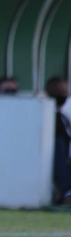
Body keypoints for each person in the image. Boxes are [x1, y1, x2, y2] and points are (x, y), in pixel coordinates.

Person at [45, 76, 71, 205]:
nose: (63, 95)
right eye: (59, 92)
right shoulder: (48, 117)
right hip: (58, 161)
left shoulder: (64, 117)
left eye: (64, 92)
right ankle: (68, 191)